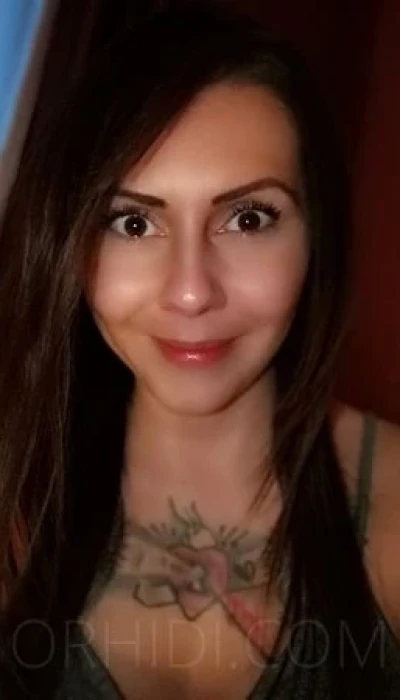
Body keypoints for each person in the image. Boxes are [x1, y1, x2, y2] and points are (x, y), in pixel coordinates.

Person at [0, 1, 399, 698]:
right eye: (132, 223)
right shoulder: (14, 482)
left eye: (248, 218)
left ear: (316, 236)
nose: (190, 292)